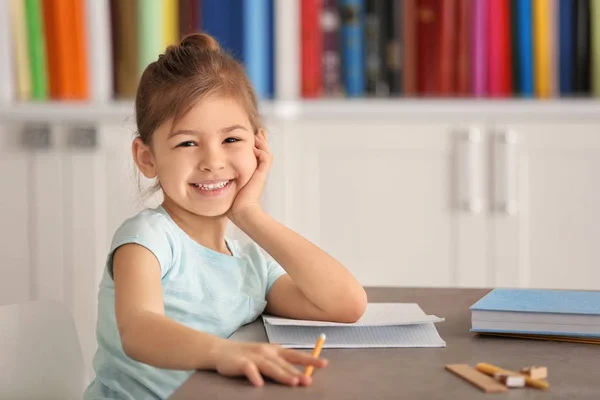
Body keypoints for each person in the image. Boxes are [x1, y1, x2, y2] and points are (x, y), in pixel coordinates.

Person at [83, 33, 367, 400]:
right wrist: (224, 353)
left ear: (258, 146)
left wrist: (250, 214)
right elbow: (139, 330)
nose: (213, 161)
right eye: (187, 143)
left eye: (231, 140)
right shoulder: (147, 239)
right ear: (147, 158)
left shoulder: (251, 264)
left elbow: (346, 304)